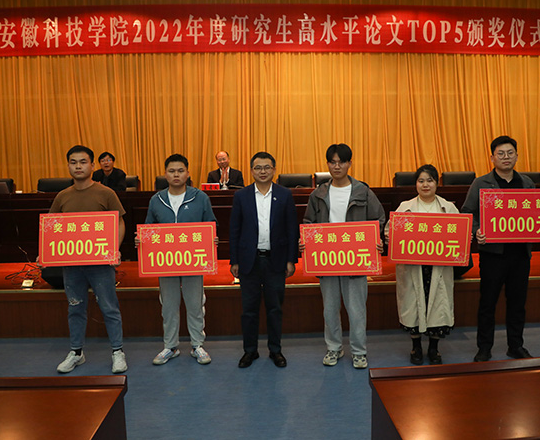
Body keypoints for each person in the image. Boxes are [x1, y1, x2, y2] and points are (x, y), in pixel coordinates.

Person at [462, 135, 540, 362]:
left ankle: (515, 345)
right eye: (501, 154)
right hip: (493, 255)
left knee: (518, 303)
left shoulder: (527, 183)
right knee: (487, 303)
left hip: (520, 254)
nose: (506, 157)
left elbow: (539, 214)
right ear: (492, 158)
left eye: (510, 153)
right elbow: (467, 213)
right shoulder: (481, 183)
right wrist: (477, 231)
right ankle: (484, 348)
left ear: (517, 156)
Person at [303, 143, 385, 369]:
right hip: (327, 261)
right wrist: (306, 240)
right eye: (332, 162)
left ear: (350, 163)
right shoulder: (318, 194)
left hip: (355, 260)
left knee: (357, 310)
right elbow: (308, 222)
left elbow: (379, 219)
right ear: (327, 164)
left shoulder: (363, 192)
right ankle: (334, 348)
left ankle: (359, 352)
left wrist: (375, 241)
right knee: (329, 309)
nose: (336, 166)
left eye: (341, 162)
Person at [48, 145, 127, 374]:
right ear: (68, 166)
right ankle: (76, 352)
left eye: (83, 162)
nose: (78, 166)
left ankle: (117, 351)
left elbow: (119, 222)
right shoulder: (62, 196)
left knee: (109, 307)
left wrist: (115, 248)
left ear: (92, 165)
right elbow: (51, 228)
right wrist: (46, 252)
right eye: (73, 162)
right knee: (75, 308)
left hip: (101, 263)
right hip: (72, 265)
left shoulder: (106, 193)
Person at [145, 154, 217, 366]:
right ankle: (170, 346)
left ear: (188, 173)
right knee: (168, 305)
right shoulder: (156, 200)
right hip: (165, 262)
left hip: (193, 260)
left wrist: (212, 237)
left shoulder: (200, 197)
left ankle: (197, 345)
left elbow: (210, 223)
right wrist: (143, 239)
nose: (176, 175)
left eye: (180, 171)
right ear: (165, 174)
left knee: (195, 304)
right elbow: (149, 227)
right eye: (171, 171)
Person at [229, 152, 299, 368]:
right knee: (249, 310)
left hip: (275, 261)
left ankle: (275, 350)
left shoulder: (284, 195)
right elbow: (234, 230)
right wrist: (234, 260)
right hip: (249, 261)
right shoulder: (241, 196)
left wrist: (291, 260)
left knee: (274, 309)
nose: (262, 171)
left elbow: (292, 229)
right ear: (251, 170)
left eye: (267, 167)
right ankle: (250, 351)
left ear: (274, 170)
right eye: (258, 167)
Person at [385, 165, 459, 365]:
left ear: (437, 183)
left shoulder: (448, 208)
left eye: (430, 180)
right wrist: (391, 237)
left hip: (438, 267)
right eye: (421, 181)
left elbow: (459, 233)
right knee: (414, 304)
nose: (425, 185)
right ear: (416, 184)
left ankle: (434, 348)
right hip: (413, 267)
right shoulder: (405, 207)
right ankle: (416, 346)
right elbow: (389, 231)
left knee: (437, 304)